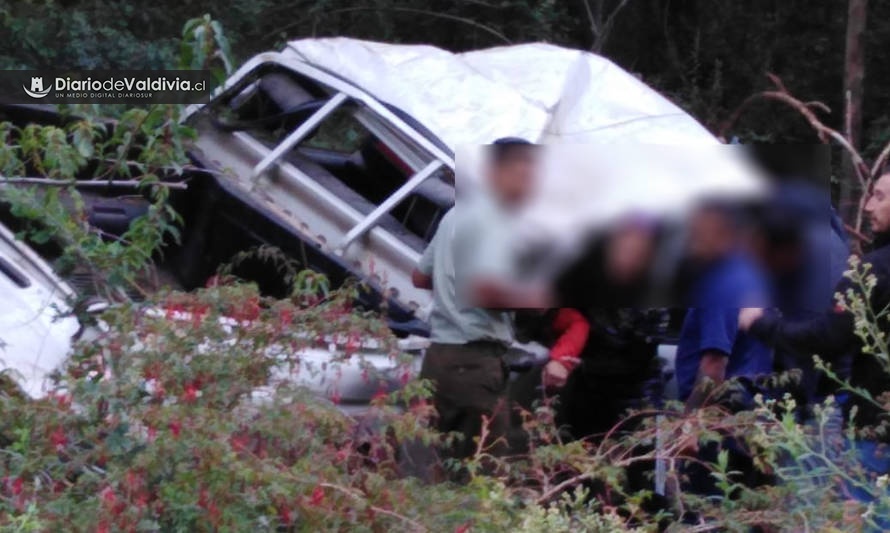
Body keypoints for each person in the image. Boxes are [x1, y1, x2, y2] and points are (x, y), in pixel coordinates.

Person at [739, 171, 890, 488]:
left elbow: (829, 337)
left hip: (873, 432)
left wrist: (761, 324)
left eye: (879, 196)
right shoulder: (844, 253)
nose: (867, 207)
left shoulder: (872, 271)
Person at [411, 137, 549, 466]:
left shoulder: (456, 215)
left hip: (440, 358)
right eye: (525, 172)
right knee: (481, 472)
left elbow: (419, 277)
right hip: (475, 363)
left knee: (443, 463)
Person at [673, 202, 774, 499]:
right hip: (745, 420)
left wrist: (691, 423)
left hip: (719, 428)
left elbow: (714, 361)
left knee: (709, 509)